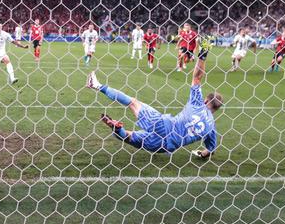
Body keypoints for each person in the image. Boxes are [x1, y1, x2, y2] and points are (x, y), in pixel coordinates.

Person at [86, 36, 222, 158]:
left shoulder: (198, 103)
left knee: (133, 103)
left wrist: (203, 53)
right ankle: (118, 129)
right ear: (217, 109)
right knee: (130, 137)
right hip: (166, 146)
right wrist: (202, 154)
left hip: (164, 126)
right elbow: (209, 150)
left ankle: (97, 85)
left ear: (206, 100)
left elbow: (197, 78)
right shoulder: (211, 127)